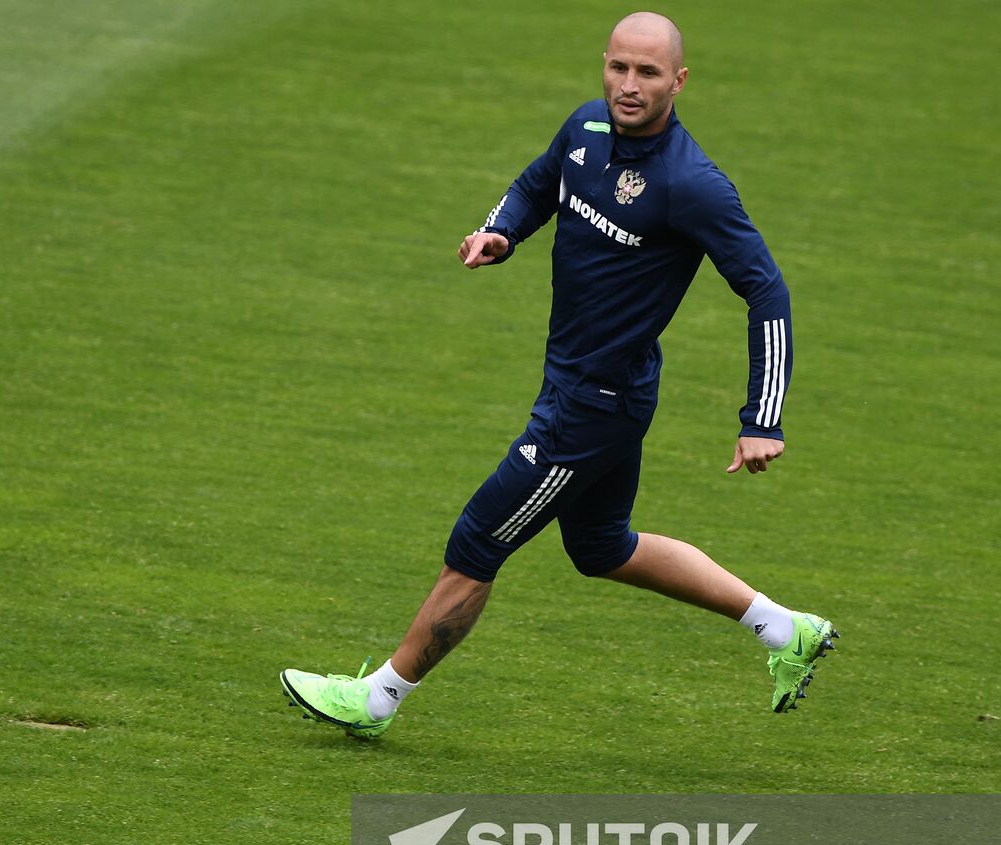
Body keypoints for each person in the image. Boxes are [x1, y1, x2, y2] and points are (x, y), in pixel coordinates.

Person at [279, 11, 838, 739]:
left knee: (477, 542)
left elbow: (768, 291)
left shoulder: (691, 184)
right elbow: (539, 183)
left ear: (680, 80)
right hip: (598, 388)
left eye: (647, 73)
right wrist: (501, 229)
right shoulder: (586, 129)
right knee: (602, 547)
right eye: (618, 68)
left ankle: (378, 699)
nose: (628, 86)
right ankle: (783, 629)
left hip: (591, 406)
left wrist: (762, 419)